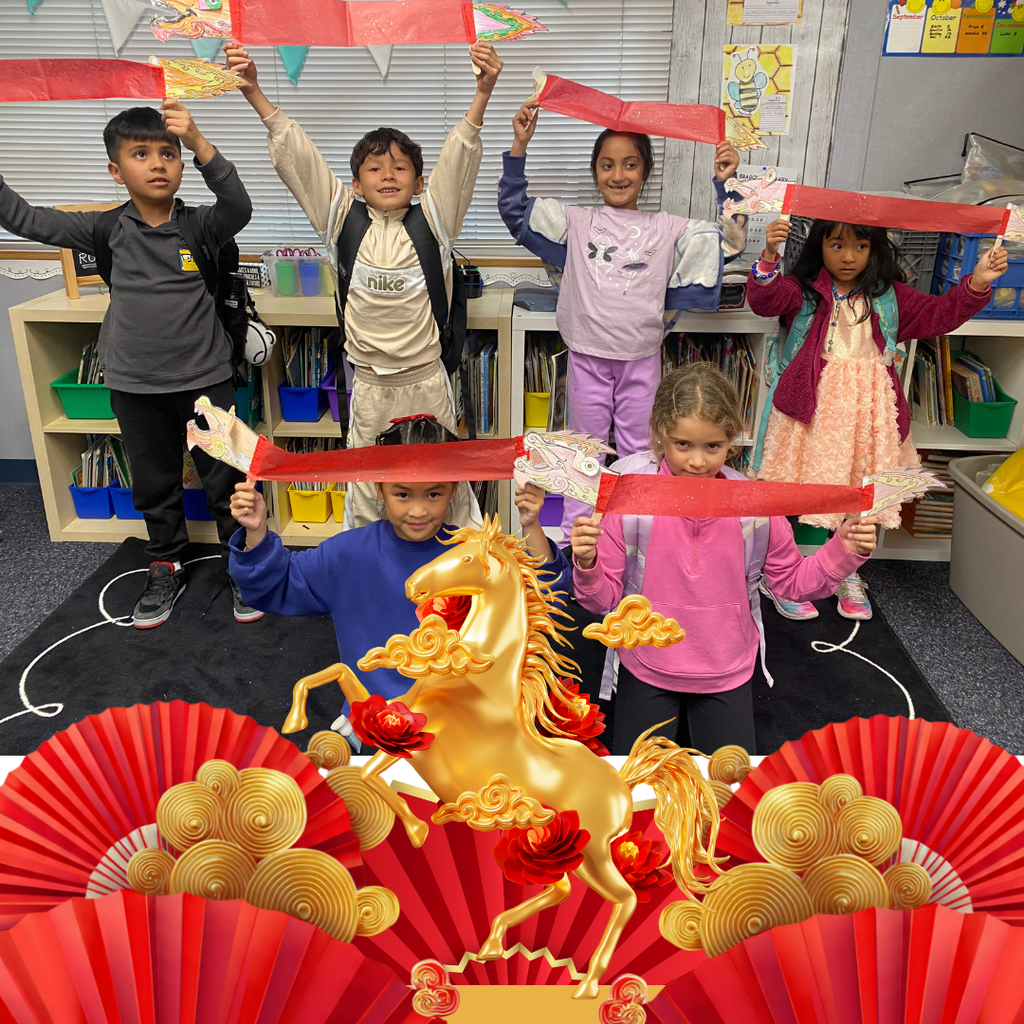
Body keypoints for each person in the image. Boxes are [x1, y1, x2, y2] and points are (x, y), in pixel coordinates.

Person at [224, 41, 504, 531]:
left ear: (420, 183)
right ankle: (368, 572)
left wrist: (483, 92)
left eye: (400, 167)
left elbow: (461, 157)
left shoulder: (436, 220)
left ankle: (460, 580)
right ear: (356, 183)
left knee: (441, 486)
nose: (388, 174)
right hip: (371, 388)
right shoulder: (341, 219)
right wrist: (255, 92)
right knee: (370, 486)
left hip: (426, 382)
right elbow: (300, 159)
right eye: (375, 168)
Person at [0, 101, 258, 629]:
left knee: (224, 479)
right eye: (142, 154)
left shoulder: (201, 227)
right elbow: (24, 218)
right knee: (153, 482)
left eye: (169, 153)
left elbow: (238, 207)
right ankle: (165, 562)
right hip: (134, 385)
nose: (158, 163)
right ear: (118, 170)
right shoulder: (103, 229)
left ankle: (243, 561)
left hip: (206, 382)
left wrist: (201, 143)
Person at [570, 364, 878, 756]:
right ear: (660, 434)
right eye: (683, 444)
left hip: (725, 669)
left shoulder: (753, 505)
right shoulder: (629, 497)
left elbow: (792, 585)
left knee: (728, 795)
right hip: (646, 664)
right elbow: (600, 602)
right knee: (640, 793)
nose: (698, 462)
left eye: (712, 447)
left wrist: (844, 550)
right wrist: (587, 562)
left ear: (731, 441)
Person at [229, 414, 570, 739]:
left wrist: (531, 525)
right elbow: (275, 586)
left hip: (459, 726)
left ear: (454, 490)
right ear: (379, 488)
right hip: (373, 723)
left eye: (434, 494)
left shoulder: (474, 558)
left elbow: (544, 597)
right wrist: (256, 532)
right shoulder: (347, 554)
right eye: (402, 494)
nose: (418, 511)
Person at [498, 106, 747, 534]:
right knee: (584, 452)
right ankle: (581, 539)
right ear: (595, 171)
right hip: (587, 358)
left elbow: (727, 242)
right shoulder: (576, 221)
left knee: (642, 451)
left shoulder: (668, 227)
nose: (618, 175)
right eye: (607, 165)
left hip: (641, 359)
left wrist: (727, 184)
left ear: (645, 171)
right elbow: (516, 211)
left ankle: (637, 533)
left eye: (630, 164)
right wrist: (520, 145)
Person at [749, 218, 1006, 622]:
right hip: (811, 413)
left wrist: (976, 283)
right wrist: (767, 258)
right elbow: (765, 300)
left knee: (860, 488)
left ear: (874, 250)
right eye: (837, 245)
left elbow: (940, 315)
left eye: (860, 247)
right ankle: (788, 572)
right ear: (820, 248)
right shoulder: (805, 292)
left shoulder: (890, 297)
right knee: (805, 489)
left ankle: (845, 567)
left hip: (870, 414)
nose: (848, 256)